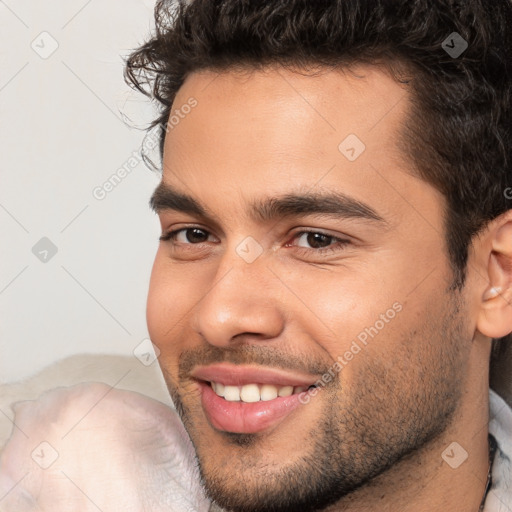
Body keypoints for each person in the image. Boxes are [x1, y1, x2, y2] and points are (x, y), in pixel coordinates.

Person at [0, 1, 511, 511]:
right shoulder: (62, 468)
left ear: (497, 276)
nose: (219, 316)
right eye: (194, 234)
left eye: (316, 240)